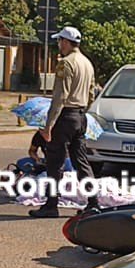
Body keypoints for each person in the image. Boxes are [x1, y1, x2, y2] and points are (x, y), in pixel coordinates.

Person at [29, 26, 98, 218]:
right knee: (81, 162)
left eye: (60, 41)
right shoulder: (87, 63)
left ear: (66, 42)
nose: (59, 44)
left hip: (65, 116)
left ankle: (51, 205)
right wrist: (82, 113)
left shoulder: (65, 64)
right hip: (80, 115)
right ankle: (93, 202)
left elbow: (60, 97)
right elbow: (91, 93)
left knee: (54, 163)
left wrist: (48, 125)